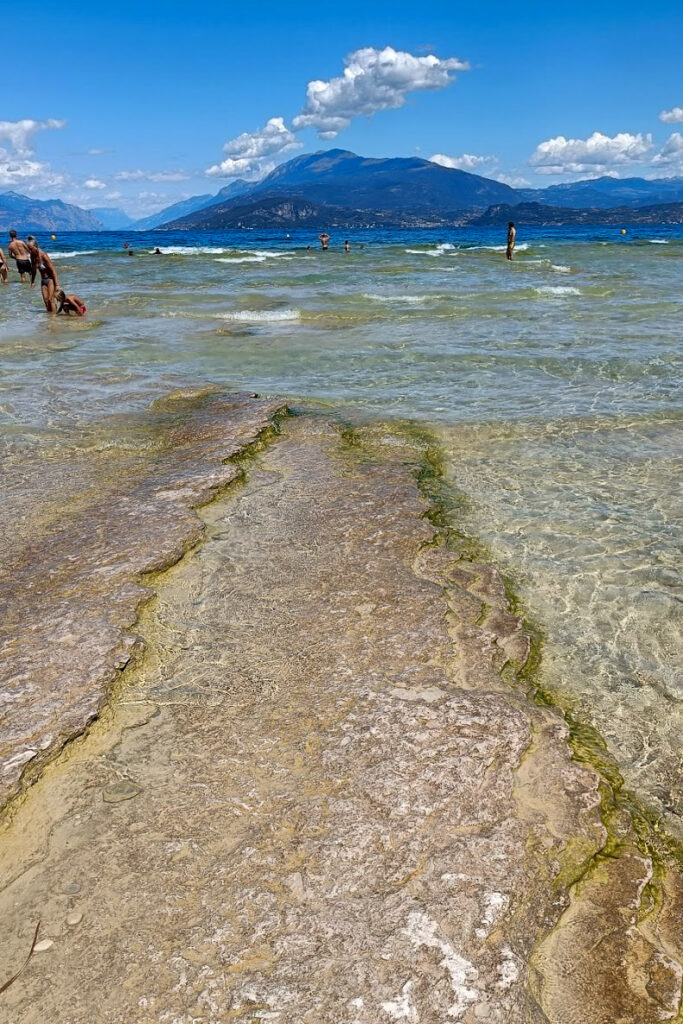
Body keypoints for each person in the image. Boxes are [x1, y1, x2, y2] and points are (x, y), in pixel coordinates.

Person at [27, 236, 59, 312]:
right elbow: (34, 269)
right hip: (43, 280)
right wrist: (32, 281)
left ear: (36, 246)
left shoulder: (43, 255)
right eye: (28, 249)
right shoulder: (32, 256)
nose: (29, 250)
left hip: (50, 279)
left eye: (31, 248)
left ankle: (54, 319)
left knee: (51, 300)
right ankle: (49, 318)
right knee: (46, 300)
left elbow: (53, 270)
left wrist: (57, 285)